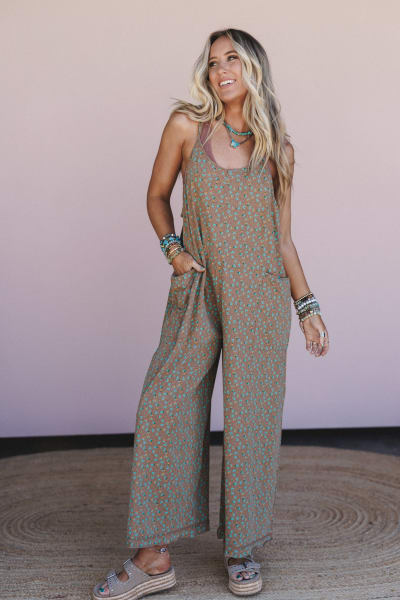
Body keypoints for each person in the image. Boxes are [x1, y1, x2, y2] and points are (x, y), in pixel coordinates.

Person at [92, 27, 329, 600]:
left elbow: (283, 240)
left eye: (233, 60)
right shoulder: (186, 126)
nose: (221, 70)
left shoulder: (278, 150)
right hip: (199, 290)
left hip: (260, 297)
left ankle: (241, 548)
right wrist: (173, 251)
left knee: (251, 421)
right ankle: (154, 557)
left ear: (254, 70)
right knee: (163, 405)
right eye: (214, 61)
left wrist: (307, 306)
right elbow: (156, 196)